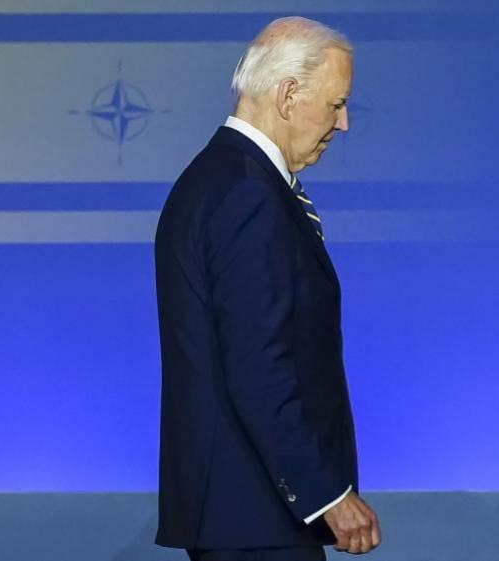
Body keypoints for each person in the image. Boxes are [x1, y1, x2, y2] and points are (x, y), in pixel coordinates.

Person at [153, 16, 380, 561]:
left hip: (244, 515)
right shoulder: (246, 195)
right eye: (336, 103)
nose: (343, 122)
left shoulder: (219, 178)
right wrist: (325, 492)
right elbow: (259, 365)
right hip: (254, 518)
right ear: (287, 93)